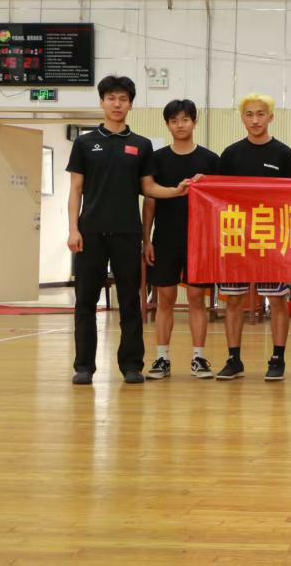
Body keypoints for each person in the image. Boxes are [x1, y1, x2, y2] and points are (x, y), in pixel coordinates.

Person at [66, 75, 192, 385]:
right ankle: (84, 367)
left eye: (123, 99)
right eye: (111, 98)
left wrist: (176, 190)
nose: (117, 104)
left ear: (130, 105)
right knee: (85, 303)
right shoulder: (84, 143)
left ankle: (132, 365)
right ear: (102, 102)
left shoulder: (141, 145)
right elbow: (76, 189)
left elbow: (148, 188)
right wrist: (73, 229)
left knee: (131, 303)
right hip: (90, 234)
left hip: (127, 234)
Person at [215, 93, 291, 381]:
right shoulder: (230, 154)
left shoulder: (283, 153)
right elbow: (218, 195)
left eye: (261, 114)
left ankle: (278, 358)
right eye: (249, 114)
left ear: (270, 117)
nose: (255, 120)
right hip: (237, 235)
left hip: (271, 235)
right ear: (242, 118)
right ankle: (233, 358)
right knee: (233, 299)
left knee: (277, 299)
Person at [142, 99, 221, 380]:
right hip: (165, 238)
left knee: (197, 298)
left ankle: (199, 358)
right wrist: (147, 239)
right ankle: (162, 358)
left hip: (200, 241)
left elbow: (220, 202)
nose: (180, 125)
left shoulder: (211, 160)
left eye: (185, 119)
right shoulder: (157, 159)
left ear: (194, 122)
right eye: (174, 120)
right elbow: (149, 201)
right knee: (165, 298)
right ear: (167, 124)